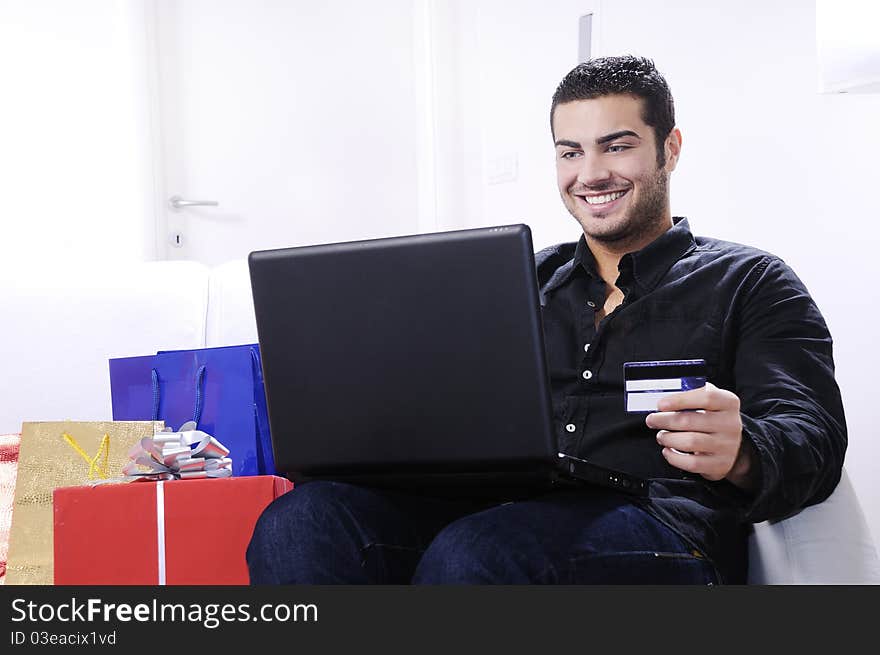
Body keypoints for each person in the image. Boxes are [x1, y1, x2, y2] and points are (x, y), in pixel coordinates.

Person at [246, 55, 847, 584]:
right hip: (498, 516)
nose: (590, 174)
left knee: (481, 552)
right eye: (570, 152)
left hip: (664, 531)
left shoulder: (751, 281)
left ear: (669, 148)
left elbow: (814, 438)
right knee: (302, 521)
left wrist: (744, 450)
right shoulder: (514, 282)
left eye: (617, 145)